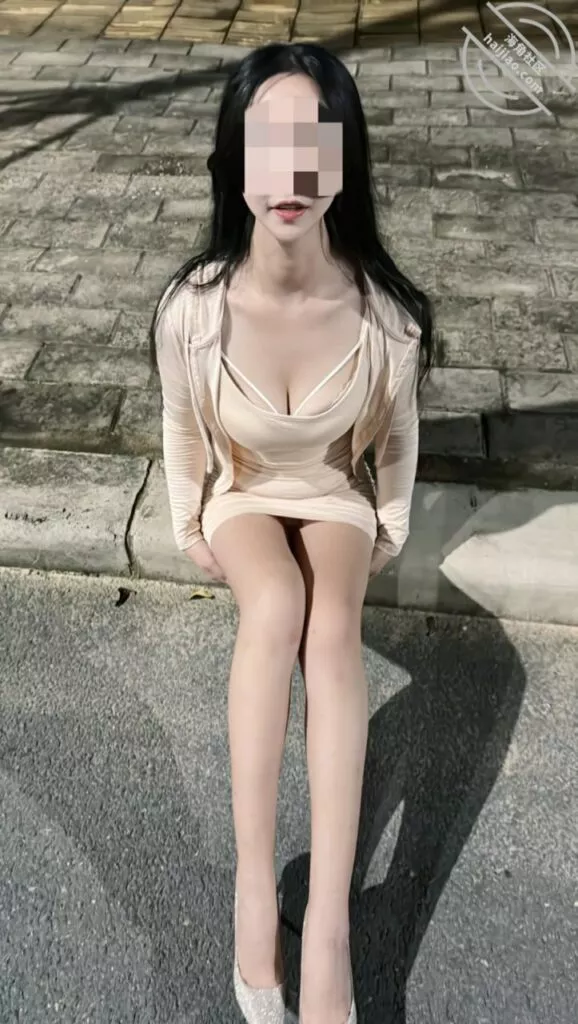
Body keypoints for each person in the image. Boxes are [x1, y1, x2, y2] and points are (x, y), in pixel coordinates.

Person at [151, 40, 433, 1024]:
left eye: (311, 143)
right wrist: (187, 521)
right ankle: (252, 889)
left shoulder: (383, 318)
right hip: (243, 488)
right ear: (235, 159)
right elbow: (183, 427)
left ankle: (327, 929)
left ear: (341, 162)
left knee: (331, 625)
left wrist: (388, 524)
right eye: (266, 143)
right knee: (274, 605)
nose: (289, 174)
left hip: (331, 490)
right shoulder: (193, 309)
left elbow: (396, 439)